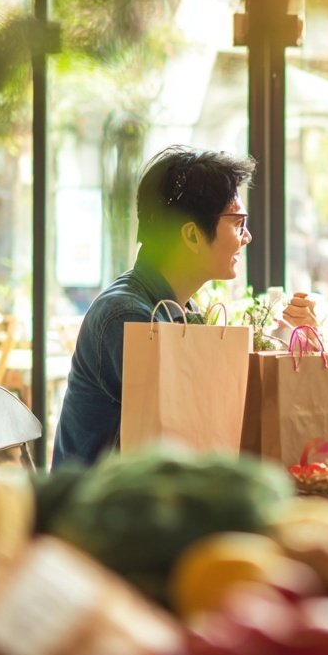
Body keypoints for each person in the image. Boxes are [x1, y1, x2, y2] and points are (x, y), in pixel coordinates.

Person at [53, 146, 255, 466]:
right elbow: (185, 434)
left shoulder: (172, 307)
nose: (247, 237)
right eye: (238, 223)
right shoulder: (130, 319)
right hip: (102, 509)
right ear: (191, 235)